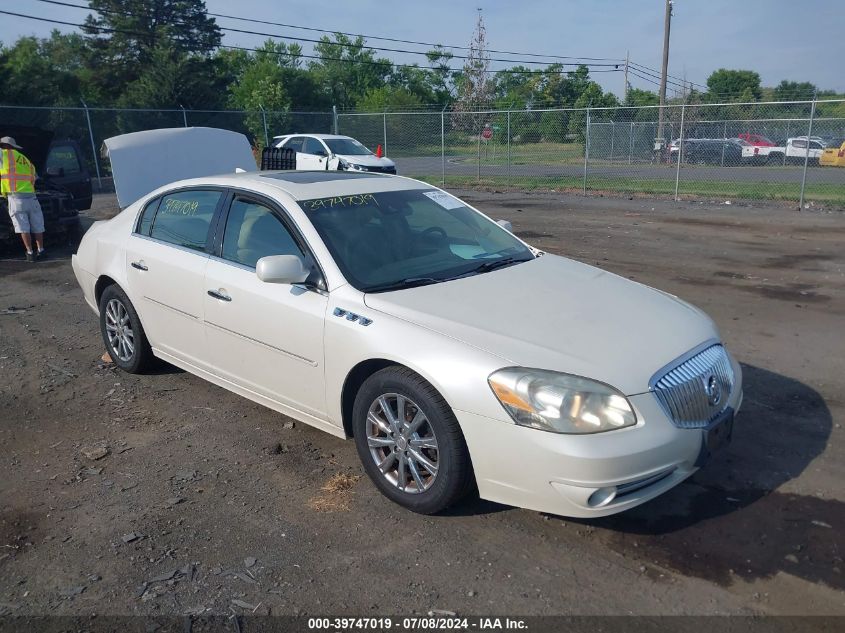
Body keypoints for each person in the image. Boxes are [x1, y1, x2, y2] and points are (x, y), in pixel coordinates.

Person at [0, 136, 46, 262]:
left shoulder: (3, 155)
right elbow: (35, 178)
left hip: (16, 198)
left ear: (3, 146)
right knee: (37, 225)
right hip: (32, 198)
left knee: (23, 227)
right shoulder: (26, 160)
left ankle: (30, 253)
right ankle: (41, 250)